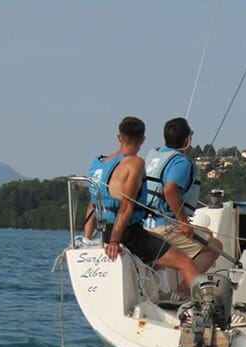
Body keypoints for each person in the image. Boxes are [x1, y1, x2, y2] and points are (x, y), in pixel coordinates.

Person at [84, 116, 202, 294]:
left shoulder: (98, 163)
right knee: (186, 263)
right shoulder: (135, 163)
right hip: (128, 235)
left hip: (104, 232)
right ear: (143, 140)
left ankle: (159, 292)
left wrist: (87, 239)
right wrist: (115, 241)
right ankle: (202, 310)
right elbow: (126, 205)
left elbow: (93, 205)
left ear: (119, 137)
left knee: (161, 242)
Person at [143, 117, 222, 275]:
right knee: (216, 247)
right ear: (187, 139)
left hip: (145, 224)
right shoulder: (181, 163)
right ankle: (184, 292)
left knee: (207, 234)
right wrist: (183, 222)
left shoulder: (154, 156)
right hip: (164, 227)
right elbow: (170, 191)